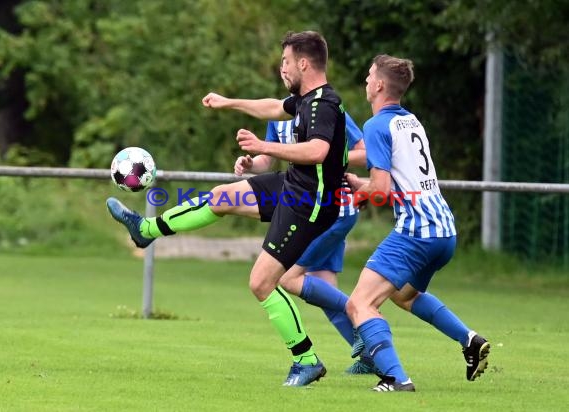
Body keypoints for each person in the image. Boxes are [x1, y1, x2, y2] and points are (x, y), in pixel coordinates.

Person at [106, 31, 347, 387]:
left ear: (303, 63)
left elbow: (317, 152)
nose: (281, 68)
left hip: (309, 202)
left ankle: (306, 360)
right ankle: (146, 231)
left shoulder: (323, 103)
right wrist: (228, 102)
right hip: (294, 186)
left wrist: (264, 144)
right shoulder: (305, 99)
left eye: (284, 61)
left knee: (261, 282)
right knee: (221, 196)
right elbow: (272, 107)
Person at [343, 54, 491, 391]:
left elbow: (381, 191)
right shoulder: (411, 121)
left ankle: (396, 379)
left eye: (369, 76)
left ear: (380, 85)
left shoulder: (376, 125)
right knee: (405, 295)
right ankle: (469, 340)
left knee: (359, 304)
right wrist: (358, 182)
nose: (366, 81)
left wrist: (359, 196)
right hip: (444, 231)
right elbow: (398, 181)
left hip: (416, 233)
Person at [238, 109, 376, 374]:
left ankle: (359, 315)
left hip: (333, 208)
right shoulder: (277, 114)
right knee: (323, 283)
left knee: (288, 277)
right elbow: (267, 159)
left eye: (288, 64)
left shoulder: (327, 108)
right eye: (282, 66)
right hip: (312, 209)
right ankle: (371, 354)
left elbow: (366, 152)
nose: (285, 71)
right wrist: (250, 165)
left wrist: (330, 156)